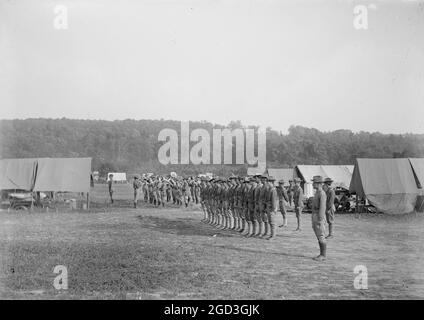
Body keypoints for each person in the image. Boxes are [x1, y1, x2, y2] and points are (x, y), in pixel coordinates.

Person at [311, 175, 327, 261]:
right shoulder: (317, 193)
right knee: (318, 235)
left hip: (318, 216)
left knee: (321, 235)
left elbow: (322, 208)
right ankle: (321, 254)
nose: (313, 184)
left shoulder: (322, 194)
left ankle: (323, 255)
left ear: (319, 184)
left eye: (314, 182)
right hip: (315, 215)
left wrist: (320, 220)